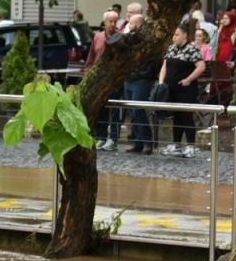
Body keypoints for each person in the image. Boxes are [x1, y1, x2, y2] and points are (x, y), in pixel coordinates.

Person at [158, 24, 205, 158]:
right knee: (176, 117)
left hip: (186, 89)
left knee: (186, 116)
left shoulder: (191, 49)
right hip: (171, 88)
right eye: (174, 35)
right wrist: (161, 82)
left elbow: (201, 66)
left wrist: (189, 79)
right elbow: (165, 66)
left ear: (185, 35)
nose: (174, 37)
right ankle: (176, 144)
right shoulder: (171, 48)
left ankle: (190, 145)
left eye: (177, 34)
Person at [85, 10, 121, 150]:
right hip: (99, 81)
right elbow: (91, 57)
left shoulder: (121, 37)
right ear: (104, 23)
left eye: (115, 21)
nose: (112, 24)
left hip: (114, 80)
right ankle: (101, 137)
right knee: (100, 109)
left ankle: (113, 139)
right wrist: (88, 73)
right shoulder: (98, 37)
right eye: (110, 21)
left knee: (115, 110)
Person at [123, 14, 158, 155]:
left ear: (138, 24)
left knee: (138, 109)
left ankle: (147, 142)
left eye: (131, 23)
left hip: (142, 79)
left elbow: (151, 61)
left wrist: (142, 73)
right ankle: (138, 142)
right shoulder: (130, 39)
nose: (129, 26)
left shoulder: (148, 41)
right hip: (129, 79)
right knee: (131, 111)